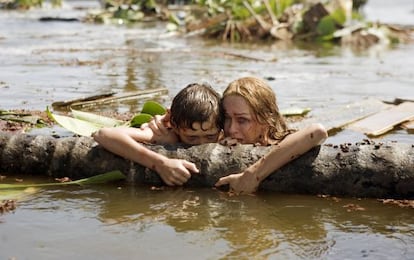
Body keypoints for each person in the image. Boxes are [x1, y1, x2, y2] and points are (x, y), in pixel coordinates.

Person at [146, 76, 328, 194]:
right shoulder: (216, 139)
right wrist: (167, 138)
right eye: (226, 119)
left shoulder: (279, 142)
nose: (232, 129)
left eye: (242, 120)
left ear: (266, 119)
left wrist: (252, 175)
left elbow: (317, 132)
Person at [92, 82, 223, 186]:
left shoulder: (224, 136)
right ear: (175, 126)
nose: (201, 144)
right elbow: (103, 134)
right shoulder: (167, 135)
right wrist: (160, 164)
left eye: (210, 137)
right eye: (191, 137)